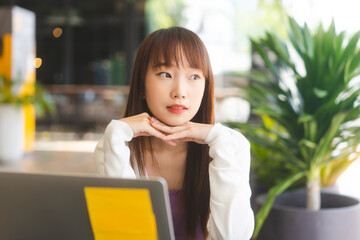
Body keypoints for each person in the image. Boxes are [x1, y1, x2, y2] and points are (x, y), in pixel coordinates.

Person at [94, 26, 254, 240]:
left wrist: (218, 141)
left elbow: (232, 237)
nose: (179, 91)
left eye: (194, 76)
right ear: (142, 85)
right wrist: (115, 133)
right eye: (166, 74)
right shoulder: (116, 145)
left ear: (206, 86)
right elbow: (122, 234)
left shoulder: (231, 146)